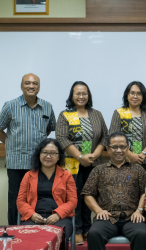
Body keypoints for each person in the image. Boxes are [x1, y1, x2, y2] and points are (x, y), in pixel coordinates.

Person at [0, 73, 56, 225]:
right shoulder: (10, 105)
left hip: (39, 164)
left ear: (39, 87)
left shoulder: (47, 106)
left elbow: (49, 129)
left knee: (38, 197)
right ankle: (14, 229)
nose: (31, 86)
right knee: (15, 198)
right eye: (27, 83)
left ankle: (34, 230)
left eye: (35, 84)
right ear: (21, 86)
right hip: (16, 163)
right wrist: (10, 143)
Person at [56, 81, 108, 244]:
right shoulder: (65, 115)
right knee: (75, 197)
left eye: (84, 93)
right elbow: (62, 138)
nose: (81, 96)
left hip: (95, 163)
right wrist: (80, 157)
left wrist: (96, 154)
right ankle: (77, 229)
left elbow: (105, 136)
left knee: (90, 195)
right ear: (72, 96)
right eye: (77, 93)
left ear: (88, 95)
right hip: (72, 165)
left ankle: (87, 228)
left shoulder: (97, 114)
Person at [82, 132, 146, 250]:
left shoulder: (138, 169)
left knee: (141, 234)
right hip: (107, 217)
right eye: (114, 147)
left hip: (132, 217)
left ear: (128, 148)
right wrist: (99, 211)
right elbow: (88, 194)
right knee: (94, 233)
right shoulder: (99, 170)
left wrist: (139, 211)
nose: (119, 150)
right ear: (108, 149)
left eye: (122, 147)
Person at [16, 138, 77, 249]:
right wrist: (31, 215)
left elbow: (72, 201)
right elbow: (20, 201)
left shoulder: (67, 175)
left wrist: (58, 214)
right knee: (30, 239)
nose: (48, 156)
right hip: (33, 218)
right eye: (45, 152)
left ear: (59, 156)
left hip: (59, 218)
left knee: (58, 238)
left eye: (53, 153)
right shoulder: (28, 176)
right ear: (39, 154)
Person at [109, 81, 146, 174]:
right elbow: (113, 137)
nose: (135, 96)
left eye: (139, 94)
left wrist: (143, 153)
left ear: (143, 96)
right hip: (124, 160)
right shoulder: (119, 113)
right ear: (127, 95)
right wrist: (130, 155)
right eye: (132, 93)